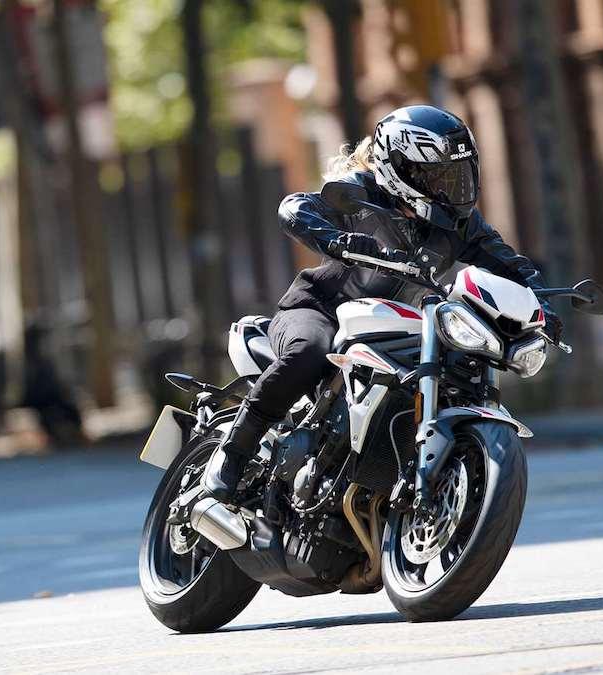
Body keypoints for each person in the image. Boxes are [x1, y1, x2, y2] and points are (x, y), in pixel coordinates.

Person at [202, 104, 563, 503]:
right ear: (402, 169)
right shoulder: (360, 193)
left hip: (398, 325)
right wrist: (338, 240)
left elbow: (515, 267)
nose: (450, 186)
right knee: (309, 351)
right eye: (437, 175)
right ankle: (234, 450)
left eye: (457, 175)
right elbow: (296, 207)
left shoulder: (461, 225)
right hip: (319, 311)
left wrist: (542, 307)